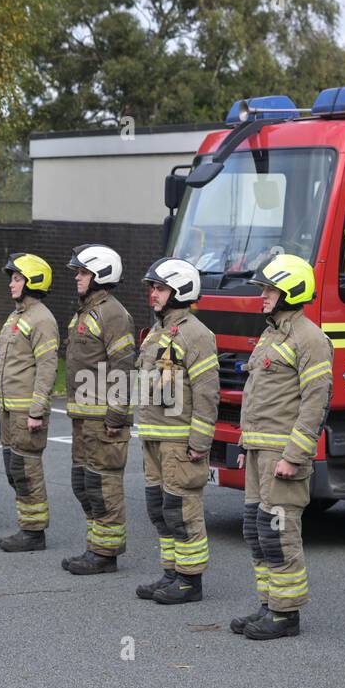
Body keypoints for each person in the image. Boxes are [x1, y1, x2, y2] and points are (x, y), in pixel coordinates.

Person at [228, 255, 334, 640]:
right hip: (259, 450)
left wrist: (294, 455)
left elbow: (315, 400)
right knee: (256, 529)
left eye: (270, 289)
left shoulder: (310, 339)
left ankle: (286, 614)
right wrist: (244, 442)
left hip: (281, 455)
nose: (263, 296)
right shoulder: (272, 335)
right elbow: (257, 394)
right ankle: (268, 602)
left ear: (292, 290)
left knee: (279, 529)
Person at [133, 258, 219, 605]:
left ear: (180, 290)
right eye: (152, 287)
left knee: (182, 510)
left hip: (178, 439)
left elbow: (207, 392)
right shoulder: (158, 331)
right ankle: (170, 573)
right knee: (159, 509)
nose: (152, 294)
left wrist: (199, 441)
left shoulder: (196, 334)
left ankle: (189, 581)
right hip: (154, 435)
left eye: (160, 288)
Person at [61, 244, 136, 576]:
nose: (77, 277)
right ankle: (95, 546)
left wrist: (117, 415)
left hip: (103, 419)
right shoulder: (86, 310)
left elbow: (123, 366)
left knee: (103, 485)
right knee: (84, 483)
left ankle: (105, 554)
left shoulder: (113, 314)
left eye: (83, 272)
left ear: (101, 274)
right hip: (83, 417)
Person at [0, 253, 60, 552]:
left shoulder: (42, 319)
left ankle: (34, 533)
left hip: (25, 411)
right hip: (9, 409)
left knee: (26, 469)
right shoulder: (16, 315)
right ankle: (27, 525)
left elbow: (47, 368)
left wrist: (36, 411)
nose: (11, 284)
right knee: (13, 469)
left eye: (17, 278)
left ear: (32, 281)